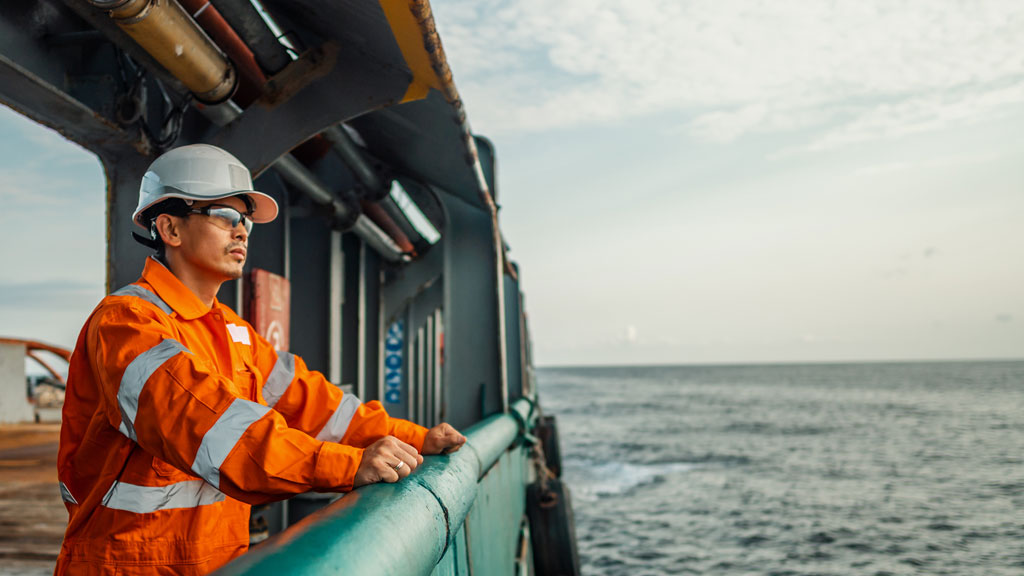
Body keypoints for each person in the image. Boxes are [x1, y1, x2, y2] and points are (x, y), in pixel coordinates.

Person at [54, 144, 465, 575]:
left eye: (245, 220)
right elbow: (213, 430)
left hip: (217, 564)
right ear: (170, 228)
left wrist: (415, 439)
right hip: (124, 568)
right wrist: (348, 465)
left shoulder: (232, 332)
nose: (243, 231)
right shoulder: (127, 325)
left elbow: (319, 408)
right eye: (225, 217)